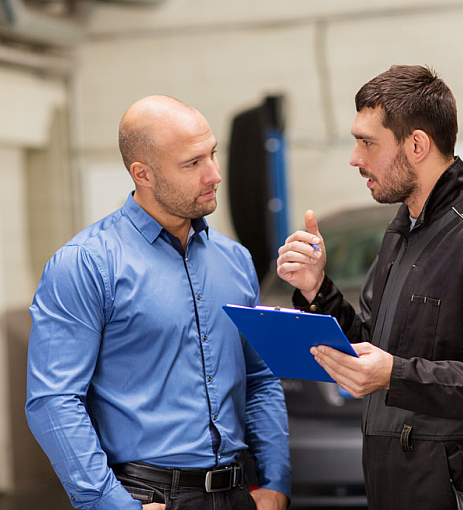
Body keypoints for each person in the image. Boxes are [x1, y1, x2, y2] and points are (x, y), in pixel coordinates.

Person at [276, 65, 463, 510]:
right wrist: (316, 289)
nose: (354, 158)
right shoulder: (402, 231)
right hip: (395, 485)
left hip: (453, 491)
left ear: (417, 145)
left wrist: (396, 375)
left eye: (367, 142)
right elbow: (372, 347)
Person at [26, 95, 291, 510]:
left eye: (213, 154)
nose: (215, 175)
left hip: (240, 493)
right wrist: (109, 503)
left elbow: (259, 379)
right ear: (142, 173)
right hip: (147, 496)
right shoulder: (86, 264)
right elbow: (54, 400)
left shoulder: (235, 261)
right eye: (193, 163)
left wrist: (277, 480)